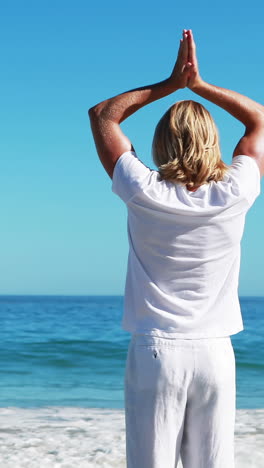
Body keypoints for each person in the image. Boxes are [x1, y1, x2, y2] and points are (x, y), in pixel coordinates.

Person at [89, 30, 263, 468]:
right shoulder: (237, 190)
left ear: (161, 141)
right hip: (214, 354)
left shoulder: (142, 189)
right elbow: (261, 122)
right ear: (212, 141)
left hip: (156, 352)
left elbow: (103, 117)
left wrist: (171, 84)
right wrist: (200, 85)